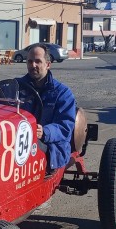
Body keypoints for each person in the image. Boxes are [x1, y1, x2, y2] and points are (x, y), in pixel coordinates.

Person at [16, 43, 77, 174]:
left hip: (52, 147)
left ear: (48, 64)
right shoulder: (17, 87)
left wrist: (44, 132)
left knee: (29, 149)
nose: (33, 65)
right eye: (30, 61)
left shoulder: (63, 93)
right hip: (20, 141)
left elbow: (65, 126)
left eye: (38, 61)